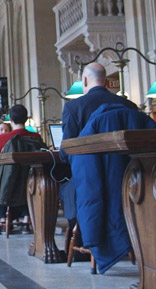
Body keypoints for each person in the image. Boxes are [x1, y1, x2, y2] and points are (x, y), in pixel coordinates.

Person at [59, 61, 140, 240]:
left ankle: (85, 238)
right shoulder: (129, 105)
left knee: (66, 189)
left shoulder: (74, 107)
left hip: (89, 182)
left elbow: (67, 150)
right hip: (129, 179)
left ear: (85, 81)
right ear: (104, 81)